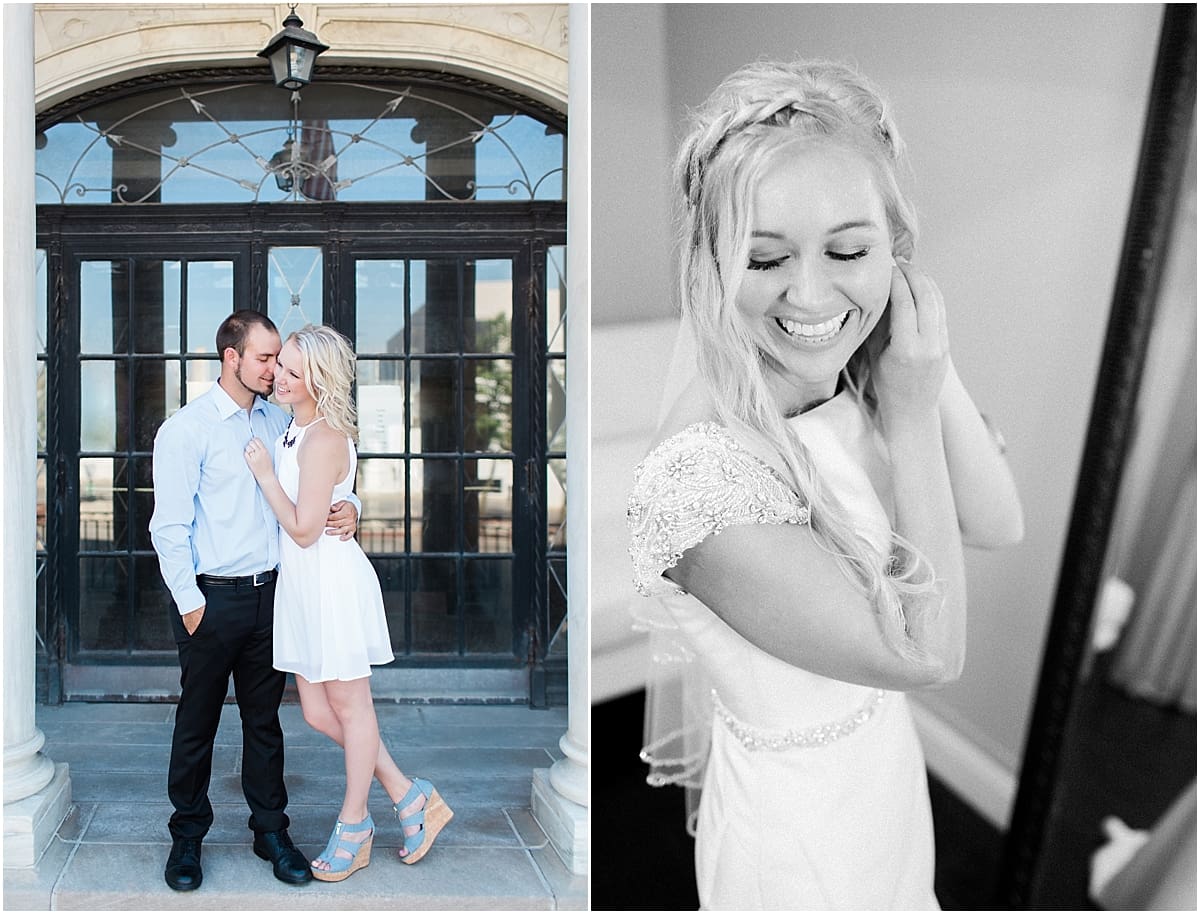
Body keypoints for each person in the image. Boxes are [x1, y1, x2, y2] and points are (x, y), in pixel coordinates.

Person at [627, 59, 1024, 910]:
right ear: (710, 265)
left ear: (897, 252)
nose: (809, 295)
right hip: (797, 837)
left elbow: (999, 522)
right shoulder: (699, 477)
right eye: (764, 258)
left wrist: (923, 355)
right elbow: (928, 656)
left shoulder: (858, 377)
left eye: (848, 250)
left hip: (881, 777)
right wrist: (909, 416)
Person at [149, 310, 360, 892]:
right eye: (266, 359)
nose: (274, 370)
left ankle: (271, 832)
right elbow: (168, 528)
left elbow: (323, 475)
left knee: (264, 724)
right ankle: (187, 837)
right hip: (211, 601)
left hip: (273, 598)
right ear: (231, 357)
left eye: (279, 360)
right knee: (197, 723)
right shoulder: (186, 430)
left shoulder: (282, 422)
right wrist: (191, 604)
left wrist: (352, 507)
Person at [243, 323, 453, 881]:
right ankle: (409, 795)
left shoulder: (323, 438)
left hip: (329, 583)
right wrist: (350, 500)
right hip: (302, 587)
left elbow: (304, 530)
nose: (280, 377)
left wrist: (265, 477)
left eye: (294, 372)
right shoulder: (293, 426)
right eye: (281, 365)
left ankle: (355, 825)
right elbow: (330, 493)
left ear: (320, 380)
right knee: (317, 712)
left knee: (353, 709)